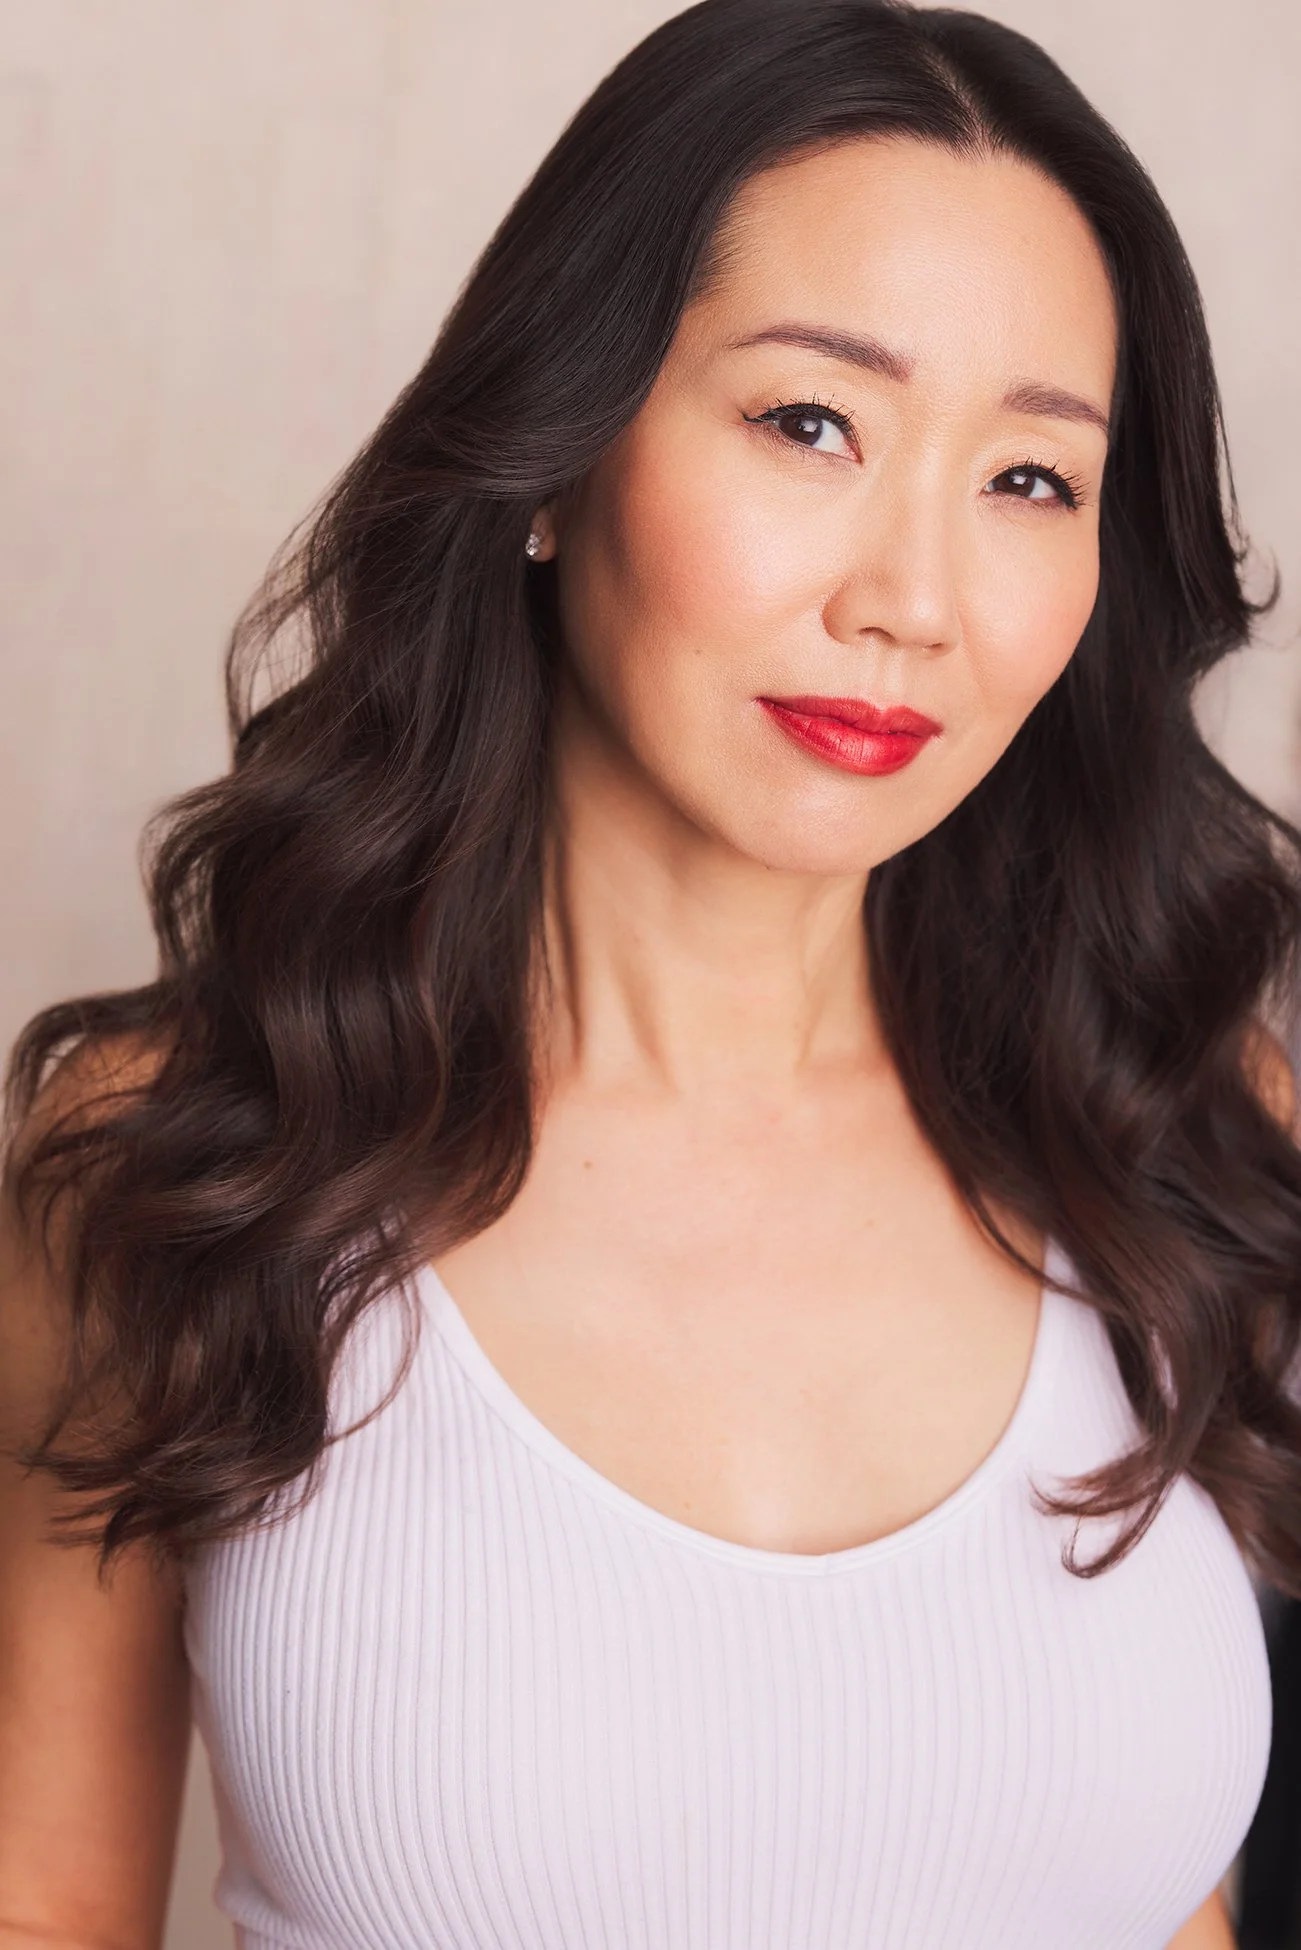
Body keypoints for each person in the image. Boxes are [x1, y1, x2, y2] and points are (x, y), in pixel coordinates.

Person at [2, 1, 1300, 1945]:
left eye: (1027, 479)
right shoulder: (181, 1164)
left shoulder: (1177, 1131)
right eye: (808, 424)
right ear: (551, 454)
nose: (910, 600)